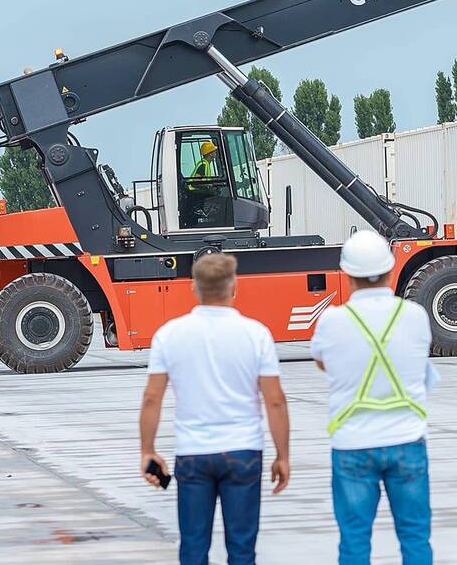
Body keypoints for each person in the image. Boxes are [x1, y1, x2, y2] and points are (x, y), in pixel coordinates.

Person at [139, 252, 291, 565]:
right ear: (233, 287)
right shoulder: (256, 334)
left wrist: (148, 451)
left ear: (194, 288)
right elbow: (274, 400)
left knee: (193, 548)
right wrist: (283, 455)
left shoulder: (169, 334)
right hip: (244, 452)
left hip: (193, 453)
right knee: (242, 550)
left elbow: (152, 398)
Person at [310, 230, 439, 565]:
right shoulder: (414, 316)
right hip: (406, 440)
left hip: (352, 444)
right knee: (414, 536)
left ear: (347, 274)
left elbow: (324, 362)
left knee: (354, 540)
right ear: (391, 268)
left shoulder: (332, 321)